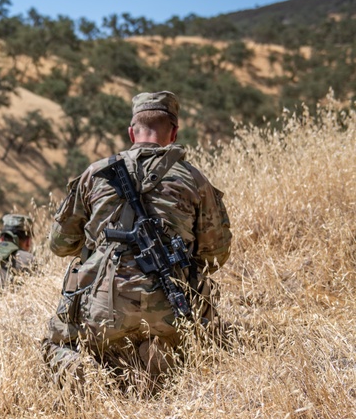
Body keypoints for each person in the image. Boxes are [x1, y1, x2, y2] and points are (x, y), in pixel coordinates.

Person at [42, 91, 232, 386]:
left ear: (132, 131)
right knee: (200, 335)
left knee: (55, 344)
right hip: (174, 311)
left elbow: (60, 244)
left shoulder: (95, 174)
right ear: (174, 133)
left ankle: (89, 377)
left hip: (102, 311)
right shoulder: (195, 180)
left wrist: (99, 246)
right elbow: (215, 256)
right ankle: (160, 354)